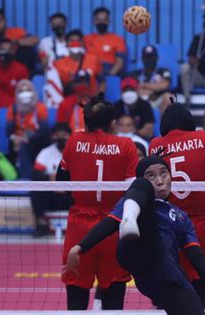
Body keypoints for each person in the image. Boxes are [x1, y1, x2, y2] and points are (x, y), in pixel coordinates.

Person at [63, 157, 205, 315]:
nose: (159, 180)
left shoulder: (180, 216)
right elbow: (110, 223)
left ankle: (130, 221)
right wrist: (79, 248)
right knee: (141, 188)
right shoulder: (134, 199)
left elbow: (196, 255)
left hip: (164, 272)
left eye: (163, 173)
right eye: (151, 175)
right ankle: (129, 220)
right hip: (136, 246)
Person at [57, 92, 138, 310]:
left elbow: (61, 183)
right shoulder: (127, 145)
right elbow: (133, 191)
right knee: (113, 301)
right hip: (113, 226)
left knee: (76, 299)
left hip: (79, 228)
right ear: (113, 123)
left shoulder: (74, 141)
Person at [149, 103, 205, 308]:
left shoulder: (155, 145)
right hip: (204, 222)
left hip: (167, 224)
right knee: (204, 283)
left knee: (170, 285)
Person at [30, 123, 73, 237]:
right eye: (57, 135)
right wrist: (50, 178)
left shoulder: (76, 152)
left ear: (70, 136)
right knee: (36, 190)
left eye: (64, 135)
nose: (60, 138)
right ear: (53, 137)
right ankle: (41, 225)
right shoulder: (46, 152)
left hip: (71, 193)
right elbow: (35, 173)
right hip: (51, 194)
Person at [6, 80, 49, 179]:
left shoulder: (40, 107)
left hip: (37, 140)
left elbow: (44, 131)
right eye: (21, 91)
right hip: (17, 141)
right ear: (17, 93)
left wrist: (27, 138)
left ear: (33, 91)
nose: (25, 93)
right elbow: (8, 132)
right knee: (16, 145)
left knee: (23, 145)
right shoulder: (13, 108)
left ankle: (28, 180)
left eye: (28, 90)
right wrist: (15, 138)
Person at [54, 29, 102, 96]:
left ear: (83, 43)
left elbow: (102, 81)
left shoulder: (93, 60)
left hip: (91, 99)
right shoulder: (59, 64)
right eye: (71, 41)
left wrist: (99, 99)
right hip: (71, 99)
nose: (75, 44)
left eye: (78, 40)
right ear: (66, 44)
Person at [130, 44, 173, 113]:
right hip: (141, 101)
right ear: (142, 59)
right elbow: (135, 89)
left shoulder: (164, 71)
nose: (149, 60)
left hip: (158, 100)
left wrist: (143, 85)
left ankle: (165, 123)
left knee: (168, 97)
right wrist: (156, 87)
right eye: (146, 58)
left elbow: (164, 85)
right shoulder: (135, 73)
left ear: (157, 58)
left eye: (151, 58)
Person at [84, 7, 126, 77]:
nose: (102, 22)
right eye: (99, 20)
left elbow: (120, 63)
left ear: (109, 21)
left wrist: (109, 75)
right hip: (90, 73)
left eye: (105, 20)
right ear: (94, 21)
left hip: (109, 71)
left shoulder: (118, 40)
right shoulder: (86, 39)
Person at [0, 38, 29, 108]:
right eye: (2, 50)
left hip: (14, 110)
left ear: (13, 51)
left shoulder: (21, 69)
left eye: (8, 50)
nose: (5, 53)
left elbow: (23, 94)